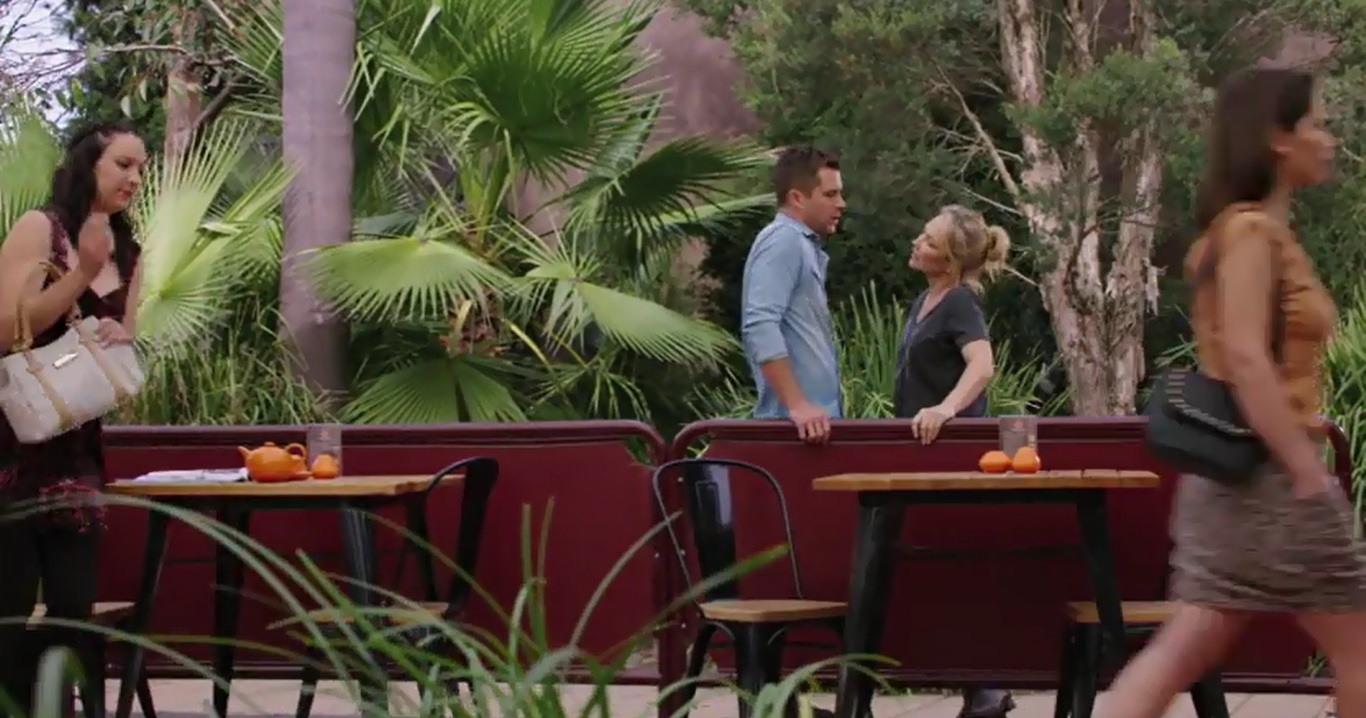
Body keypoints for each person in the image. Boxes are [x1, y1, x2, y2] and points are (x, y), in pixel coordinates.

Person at [1101, 68, 1366, 718]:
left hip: (1227, 482)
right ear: (1278, 136)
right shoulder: (1250, 232)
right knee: (1361, 654)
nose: (1328, 139)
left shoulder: (1244, 231)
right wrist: (1305, 469)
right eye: (1316, 124)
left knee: (1185, 645)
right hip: (1277, 476)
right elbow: (1246, 355)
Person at [0, 121, 146, 717]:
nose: (135, 179)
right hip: (13, 449)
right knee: (9, 613)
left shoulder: (129, 250)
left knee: (73, 612)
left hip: (78, 453)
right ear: (88, 165)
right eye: (123, 165)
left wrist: (119, 335)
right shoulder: (42, 228)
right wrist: (82, 275)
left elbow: (125, 335)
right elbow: (7, 330)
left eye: (141, 168)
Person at [895, 205, 1014, 718]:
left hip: (951, 451)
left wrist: (945, 409)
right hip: (920, 450)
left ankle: (985, 685)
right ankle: (978, 686)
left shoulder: (960, 302)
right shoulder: (925, 300)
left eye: (928, 240)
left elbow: (982, 366)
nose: (916, 243)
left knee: (952, 560)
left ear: (949, 260)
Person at [741, 145, 845, 443]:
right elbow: (760, 324)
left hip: (811, 428)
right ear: (797, 198)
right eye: (830, 194)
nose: (841, 204)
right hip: (793, 431)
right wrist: (797, 405)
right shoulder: (783, 240)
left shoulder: (802, 244)